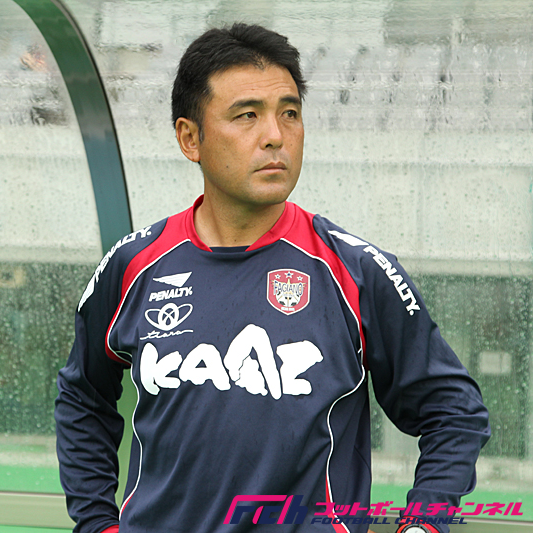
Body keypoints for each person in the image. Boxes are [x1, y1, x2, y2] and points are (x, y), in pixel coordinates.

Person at [55, 24, 490, 533]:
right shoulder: (134, 264)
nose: (276, 136)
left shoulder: (355, 271)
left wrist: (424, 523)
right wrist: (96, 522)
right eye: (247, 115)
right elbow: (83, 398)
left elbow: (452, 412)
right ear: (190, 138)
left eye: (290, 113)